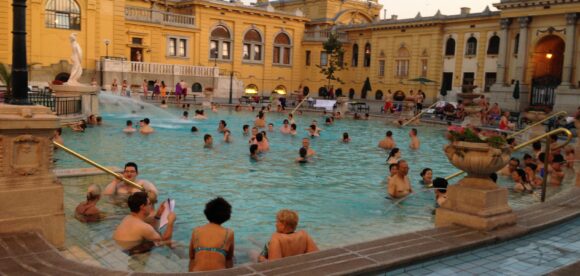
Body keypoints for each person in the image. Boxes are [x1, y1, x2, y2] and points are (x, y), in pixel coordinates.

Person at [189, 197, 234, 272]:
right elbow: (229, 258)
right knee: (231, 259)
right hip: (219, 274)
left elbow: (191, 256)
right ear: (227, 216)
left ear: (207, 213)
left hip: (197, 273)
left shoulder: (196, 231)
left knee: (194, 259)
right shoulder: (229, 233)